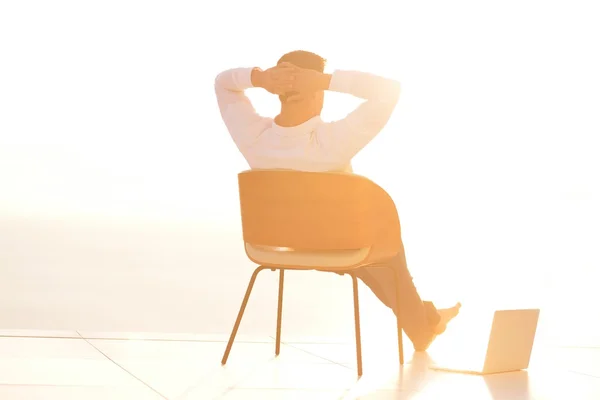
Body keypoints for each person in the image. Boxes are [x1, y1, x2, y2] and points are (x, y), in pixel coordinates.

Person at [215, 50, 460, 351]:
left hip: (284, 244)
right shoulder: (332, 142)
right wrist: (326, 80)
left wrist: (260, 77)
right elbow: (389, 91)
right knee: (384, 260)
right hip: (340, 244)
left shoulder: (253, 138)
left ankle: (429, 318)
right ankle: (424, 328)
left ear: (277, 91)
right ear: (318, 90)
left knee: (372, 267)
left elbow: (223, 84)